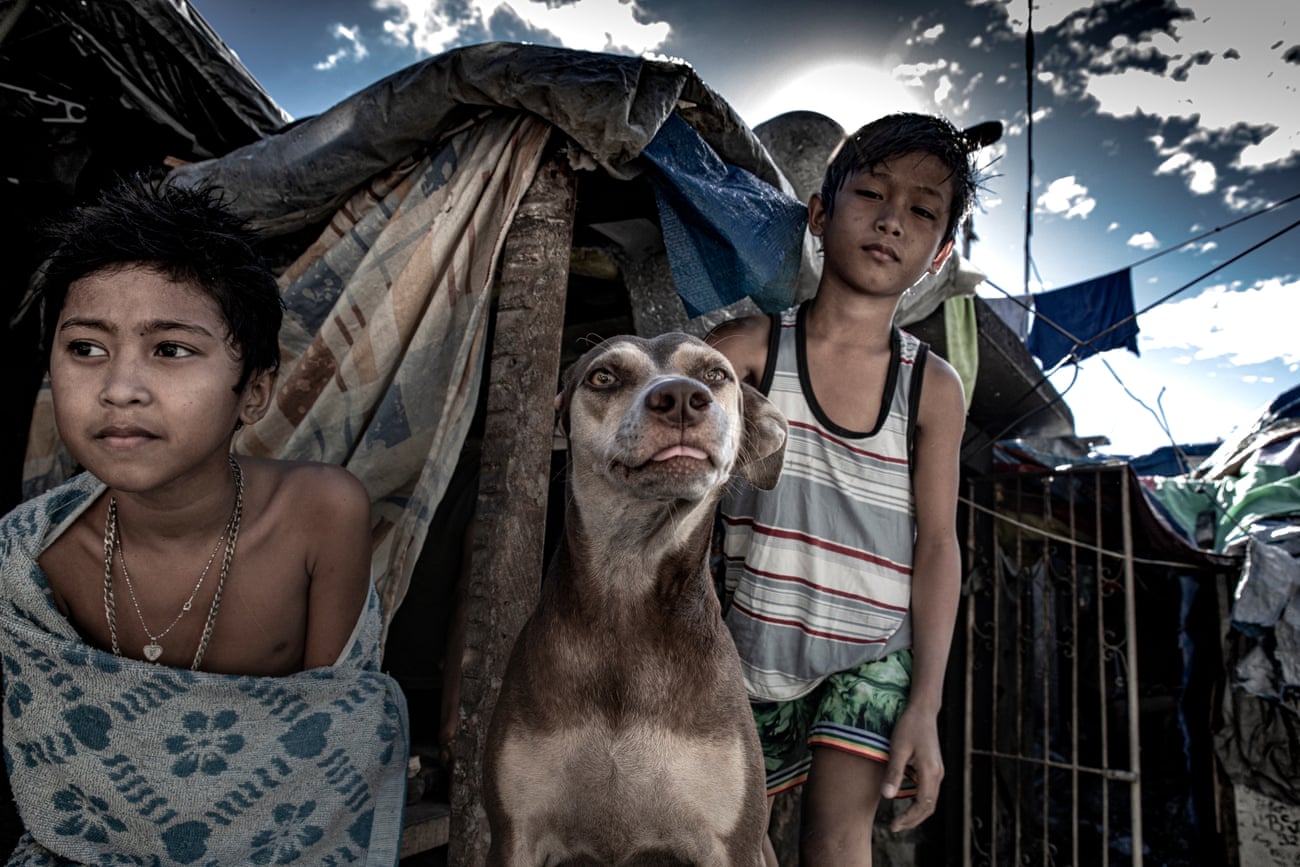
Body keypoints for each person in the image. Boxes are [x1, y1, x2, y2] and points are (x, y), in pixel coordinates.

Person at [0, 179, 409, 865]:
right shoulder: (29, 558)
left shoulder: (319, 516)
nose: (119, 387)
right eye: (86, 348)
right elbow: (55, 790)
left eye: (170, 350)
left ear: (252, 391)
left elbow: (332, 748)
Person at [709, 112, 976, 866]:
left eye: (923, 211)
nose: (893, 220)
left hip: (874, 649)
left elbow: (938, 544)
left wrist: (925, 702)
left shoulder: (932, 387)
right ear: (821, 214)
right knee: (726, 837)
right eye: (871, 195)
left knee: (837, 841)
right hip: (749, 646)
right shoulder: (749, 353)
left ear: (939, 254)